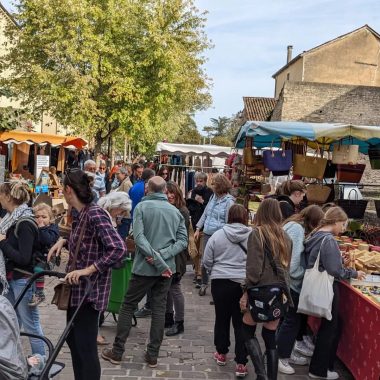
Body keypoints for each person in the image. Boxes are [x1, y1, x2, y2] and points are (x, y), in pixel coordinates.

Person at [48, 169, 126, 380]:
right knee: (74, 343)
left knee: (86, 349)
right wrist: (64, 241)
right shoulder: (80, 213)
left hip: (90, 294)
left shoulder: (95, 213)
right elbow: (87, 243)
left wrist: (88, 270)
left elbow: (118, 249)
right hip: (77, 291)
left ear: (67, 190)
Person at [101, 176, 188, 368]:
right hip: (166, 269)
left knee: (128, 305)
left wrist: (155, 258)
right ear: (165, 191)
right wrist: (163, 257)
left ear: (148, 189)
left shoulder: (141, 208)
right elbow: (183, 241)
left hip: (144, 268)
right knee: (159, 309)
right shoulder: (175, 212)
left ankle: (117, 351)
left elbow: (139, 238)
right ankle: (152, 354)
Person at [304, 207, 365, 380]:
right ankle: (319, 370)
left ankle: (319, 367)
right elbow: (334, 270)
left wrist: (338, 261)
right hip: (327, 286)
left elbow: (326, 262)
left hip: (317, 284)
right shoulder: (328, 239)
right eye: (343, 224)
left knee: (330, 326)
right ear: (336, 221)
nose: (343, 228)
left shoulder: (315, 235)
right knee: (330, 328)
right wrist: (354, 273)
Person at [240, 198, 292, 380]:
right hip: (279, 290)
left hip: (259, 289)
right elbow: (287, 267)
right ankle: (270, 377)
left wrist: (246, 289)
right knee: (270, 336)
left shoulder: (258, 234)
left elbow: (253, 268)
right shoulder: (286, 236)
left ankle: (261, 374)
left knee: (247, 331)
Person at [203, 204, 251, 378]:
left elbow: (207, 260)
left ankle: (222, 353)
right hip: (243, 285)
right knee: (241, 323)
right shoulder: (253, 236)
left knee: (222, 319)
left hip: (220, 282)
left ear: (229, 216)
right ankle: (241, 362)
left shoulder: (217, 235)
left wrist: (213, 271)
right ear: (245, 217)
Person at [277, 205, 325, 375]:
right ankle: (281, 358)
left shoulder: (292, 224)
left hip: (284, 280)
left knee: (287, 321)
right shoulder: (297, 229)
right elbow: (294, 264)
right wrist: (306, 276)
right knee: (291, 321)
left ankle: (283, 353)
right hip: (291, 283)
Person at [0, 181, 45, 356]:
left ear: (8, 197)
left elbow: (24, 258)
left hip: (23, 280)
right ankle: (11, 361)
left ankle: (43, 366)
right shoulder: (10, 219)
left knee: (31, 325)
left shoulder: (24, 222)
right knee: (9, 322)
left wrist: (3, 242)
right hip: (12, 279)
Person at [194, 173, 235, 296]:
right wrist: (198, 228)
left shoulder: (229, 202)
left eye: (214, 184)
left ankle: (216, 288)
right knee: (205, 259)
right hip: (207, 233)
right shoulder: (213, 197)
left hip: (221, 235)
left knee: (218, 262)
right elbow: (206, 214)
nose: (212, 186)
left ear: (220, 185)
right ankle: (204, 283)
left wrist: (226, 235)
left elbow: (229, 220)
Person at [164, 181, 189, 336]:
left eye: (172, 192)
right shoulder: (166, 209)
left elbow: (179, 236)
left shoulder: (182, 211)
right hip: (167, 254)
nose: (169, 195)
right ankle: (168, 318)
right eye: (167, 193)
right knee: (166, 287)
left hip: (177, 255)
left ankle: (179, 322)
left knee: (174, 287)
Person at [28, 203, 60, 306]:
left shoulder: (53, 228)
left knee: (38, 270)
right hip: (37, 257)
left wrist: (42, 229)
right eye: (37, 217)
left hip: (48, 258)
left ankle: (40, 293)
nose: (40, 219)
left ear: (50, 218)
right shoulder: (34, 227)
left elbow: (47, 240)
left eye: (44, 217)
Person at [186, 172, 214, 288]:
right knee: (195, 251)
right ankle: (197, 271)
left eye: (201, 181)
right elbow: (190, 206)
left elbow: (210, 209)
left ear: (205, 181)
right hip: (194, 224)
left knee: (202, 251)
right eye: (197, 181)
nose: (199, 183)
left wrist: (202, 201)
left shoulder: (210, 192)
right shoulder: (193, 191)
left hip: (205, 226)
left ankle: (200, 275)